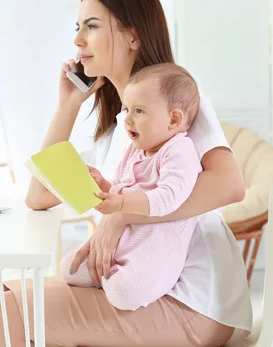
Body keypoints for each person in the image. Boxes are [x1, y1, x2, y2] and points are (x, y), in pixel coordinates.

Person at [0, 0, 252, 347]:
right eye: (77, 28)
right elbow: (38, 196)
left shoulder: (178, 105)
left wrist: (123, 214)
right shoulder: (120, 131)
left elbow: (230, 185)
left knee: (4, 313)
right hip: (131, 286)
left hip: (190, 301)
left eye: (91, 26)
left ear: (132, 35)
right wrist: (67, 106)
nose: (78, 40)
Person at [61, 63, 203, 312]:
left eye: (138, 111)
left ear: (174, 119)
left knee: (124, 293)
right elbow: (121, 186)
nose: (127, 119)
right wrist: (103, 184)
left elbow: (169, 197)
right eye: (127, 109)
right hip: (122, 242)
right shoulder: (135, 150)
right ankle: (109, 274)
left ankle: (113, 280)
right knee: (68, 268)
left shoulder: (179, 151)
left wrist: (122, 205)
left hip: (153, 252)